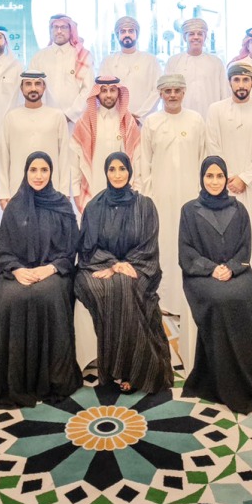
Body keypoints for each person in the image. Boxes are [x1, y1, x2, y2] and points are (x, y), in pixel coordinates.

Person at [0, 152, 83, 409]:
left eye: (44, 170)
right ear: (25, 172)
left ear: (51, 173)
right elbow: (5, 250)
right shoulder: (15, 206)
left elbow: (71, 249)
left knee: (47, 296)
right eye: (33, 170)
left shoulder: (63, 205)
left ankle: (52, 379)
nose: (39, 175)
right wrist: (18, 270)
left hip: (54, 273)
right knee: (8, 299)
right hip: (17, 272)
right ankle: (13, 380)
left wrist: (51, 269)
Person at [179, 156, 252, 413]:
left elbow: (245, 249)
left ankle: (250, 373)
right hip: (201, 276)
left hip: (236, 272)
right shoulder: (189, 210)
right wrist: (212, 268)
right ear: (202, 179)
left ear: (226, 179)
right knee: (222, 301)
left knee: (250, 299)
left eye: (219, 176)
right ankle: (225, 380)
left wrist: (232, 268)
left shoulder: (239, 209)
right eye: (209, 176)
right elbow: (186, 251)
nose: (214, 181)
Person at [75, 152, 173, 394]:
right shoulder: (94, 206)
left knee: (124, 287)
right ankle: (120, 368)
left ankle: (133, 369)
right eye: (112, 169)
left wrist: (124, 265)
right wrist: (112, 264)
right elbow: (87, 247)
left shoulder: (145, 205)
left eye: (122, 169)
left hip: (139, 267)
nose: (117, 174)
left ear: (130, 171)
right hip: (96, 267)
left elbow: (149, 246)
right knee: (109, 287)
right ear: (105, 173)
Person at [205, 63, 252, 292]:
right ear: (229, 82)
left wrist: (244, 178)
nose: (241, 85)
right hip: (223, 186)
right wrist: (229, 178)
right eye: (237, 80)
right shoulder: (216, 109)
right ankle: (226, 290)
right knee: (224, 238)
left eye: (246, 80)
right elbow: (213, 145)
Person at [140, 73, 206, 315]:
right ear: (160, 94)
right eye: (167, 91)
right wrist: (149, 196)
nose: (173, 95)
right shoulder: (152, 122)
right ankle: (165, 300)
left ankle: (189, 299)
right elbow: (144, 162)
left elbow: (203, 158)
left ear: (184, 93)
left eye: (177, 90)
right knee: (165, 245)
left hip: (191, 195)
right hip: (161, 197)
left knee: (190, 245)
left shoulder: (196, 120)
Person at [0, 71, 71, 207]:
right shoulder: (11, 117)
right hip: (17, 190)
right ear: (21, 88)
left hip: (52, 189)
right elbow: (3, 157)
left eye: (38, 84)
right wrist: (4, 193)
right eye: (28, 84)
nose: (33, 88)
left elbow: (65, 157)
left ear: (44, 87)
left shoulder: (57, 116)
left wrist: (65, 191)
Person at [71, 75, 142, 209]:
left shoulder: (128, 122)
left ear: (118, 92)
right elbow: (75, 162)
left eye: (112, 90)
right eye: (104, 90)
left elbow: (137, 159)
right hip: (94, 188)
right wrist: (75, 192)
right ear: (97, 93)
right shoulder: (84, 122)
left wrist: (138, 189)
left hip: (123, 192)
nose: (108, 95)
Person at [31, 13, 94, 121]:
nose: (59, 31)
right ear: (50, 31)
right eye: (55, 27)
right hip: (44, 119)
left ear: (71, 31)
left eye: (63, 27)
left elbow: (88, 89)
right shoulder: (39, 57)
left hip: (73, 121)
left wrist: (70, 114)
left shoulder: (82, 56)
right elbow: (32, 88)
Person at [99, 15, 162, 118]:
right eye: (123, 31)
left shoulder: (150, 60)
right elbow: (103, 90)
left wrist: (139, 115)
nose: (127, 34)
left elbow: (157, 90)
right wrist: (120, 115)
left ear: (137, 34)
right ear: (117, 35)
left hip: (144, 120)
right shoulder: (108, 61)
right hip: (115, 118)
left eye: (131, 31)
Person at [164, 17, 229, 116]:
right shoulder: (173, 62)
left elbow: (224, 93)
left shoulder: (216, 62)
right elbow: (166, 92)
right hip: (180, 117)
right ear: (184, 37)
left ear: (205, 37)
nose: (196, 37)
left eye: (200, 34)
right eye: (191, 34)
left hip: (210, 117)